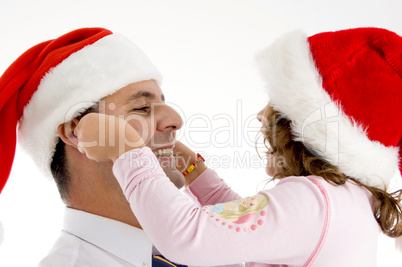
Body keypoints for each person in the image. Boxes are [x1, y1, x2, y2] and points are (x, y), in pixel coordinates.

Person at [76, 27, 402, 266]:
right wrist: (195, 172)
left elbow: (190, 237)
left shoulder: (313, 200)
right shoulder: (346, 199)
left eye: (277, 105)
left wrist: (126, 150)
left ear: (312, 128)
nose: (262, 115)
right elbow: (247, 226)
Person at [0, 27, 244, 267]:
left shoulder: (212, 248)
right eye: (141, 108)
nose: (175, 121)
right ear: (76, 133)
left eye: (162, 102)